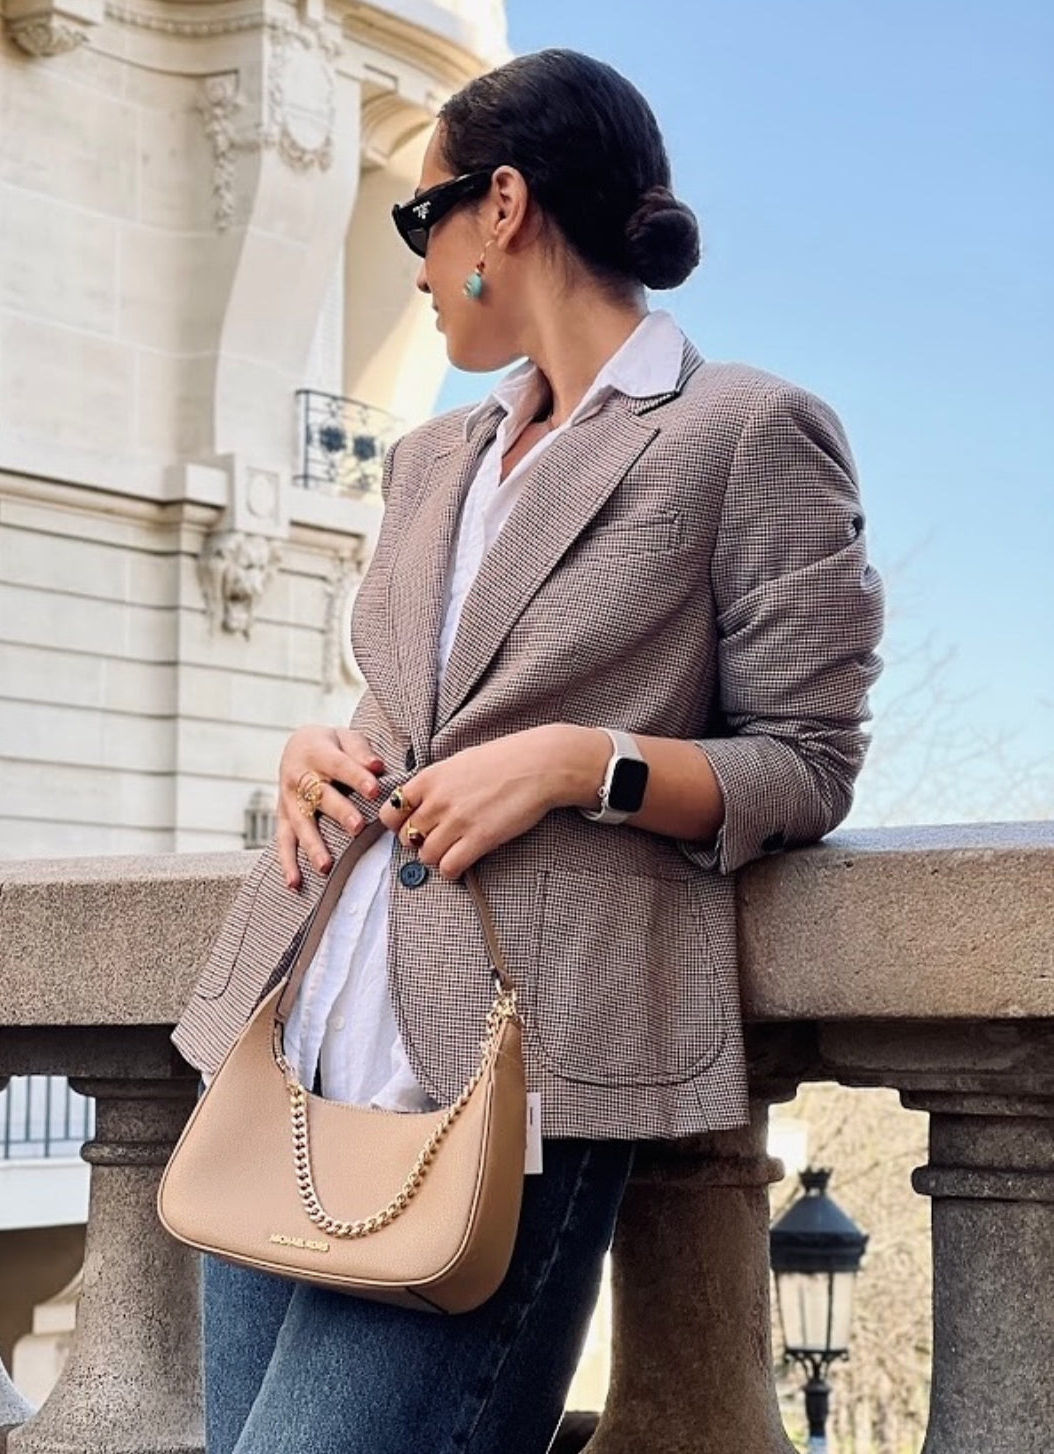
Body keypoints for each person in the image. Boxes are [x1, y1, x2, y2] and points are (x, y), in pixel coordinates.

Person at [170, 47, 884, 1454]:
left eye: (416, 217)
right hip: (298, 1036)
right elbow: (415, 707)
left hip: (513, 1077)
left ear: (500, 206)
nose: (416, 266)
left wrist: (580, 762)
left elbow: (806, 761)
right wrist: (322, 750)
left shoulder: (743, 431)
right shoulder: (432, 458)